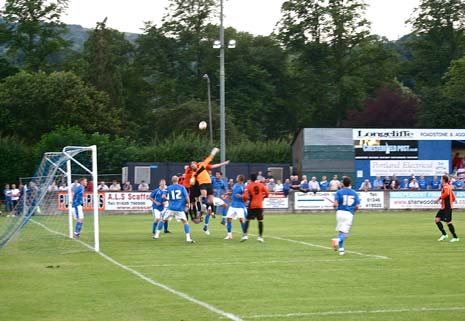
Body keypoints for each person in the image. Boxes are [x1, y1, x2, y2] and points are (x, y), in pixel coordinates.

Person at [189, 147, 230, 235]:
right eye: (191, 166)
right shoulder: (194, 174)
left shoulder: (203, 166)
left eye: (193, 165)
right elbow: (193, 183)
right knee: (205, 200)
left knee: (218, 204)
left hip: (209, 188)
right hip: (203, 186)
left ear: (196, 164)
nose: (210, 173)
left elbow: (211, 158)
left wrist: (214, 151)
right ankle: (203, 212)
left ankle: (217, 217)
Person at [153, 176, 194, 243]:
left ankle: (156, 235)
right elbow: (187, 196)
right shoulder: (182, 187)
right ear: (178, 180)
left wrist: (168, 199)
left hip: (171, 208)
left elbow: (163, 196)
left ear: (172, 180)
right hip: (179, 208)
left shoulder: (168, 187)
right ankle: (188, 238)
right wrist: (189, 204)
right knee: (185, 222)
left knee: (163, 220)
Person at [331, 176, 361, 256]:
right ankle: (337, 240)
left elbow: (335, 204)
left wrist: (334, 206)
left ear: (342, 184)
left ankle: (341, 251)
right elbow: (357, 206)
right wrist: (354, 211)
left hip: (339, 213)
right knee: (345, 234)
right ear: (350, 184)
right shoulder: (354, 193)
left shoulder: (339, 192)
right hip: (348, 213)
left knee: (341, 232)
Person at [242, 173, 269, 242]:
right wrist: (263, 198)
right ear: (257, 178)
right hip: (259, 205)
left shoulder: (248, 186)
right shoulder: (261, 185)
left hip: (252, 205)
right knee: (260, 221)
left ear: (250, 179)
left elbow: (245, 196)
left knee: (247, 220)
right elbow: (267, 193)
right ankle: (260, 237)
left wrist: (246, 200)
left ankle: (245, 235)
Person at [434, 175, 459, 242]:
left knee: (448, 222)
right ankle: (444, 235)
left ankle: (455, 237)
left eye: (441, 179)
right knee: (437, 219)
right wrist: (447, 201)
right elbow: (452, 195)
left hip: (447, 207)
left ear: (444, 180)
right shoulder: (447, 186)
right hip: (444, 207)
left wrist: (439, 199)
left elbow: (447, 193)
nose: (440, 180)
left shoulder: (446, 186)